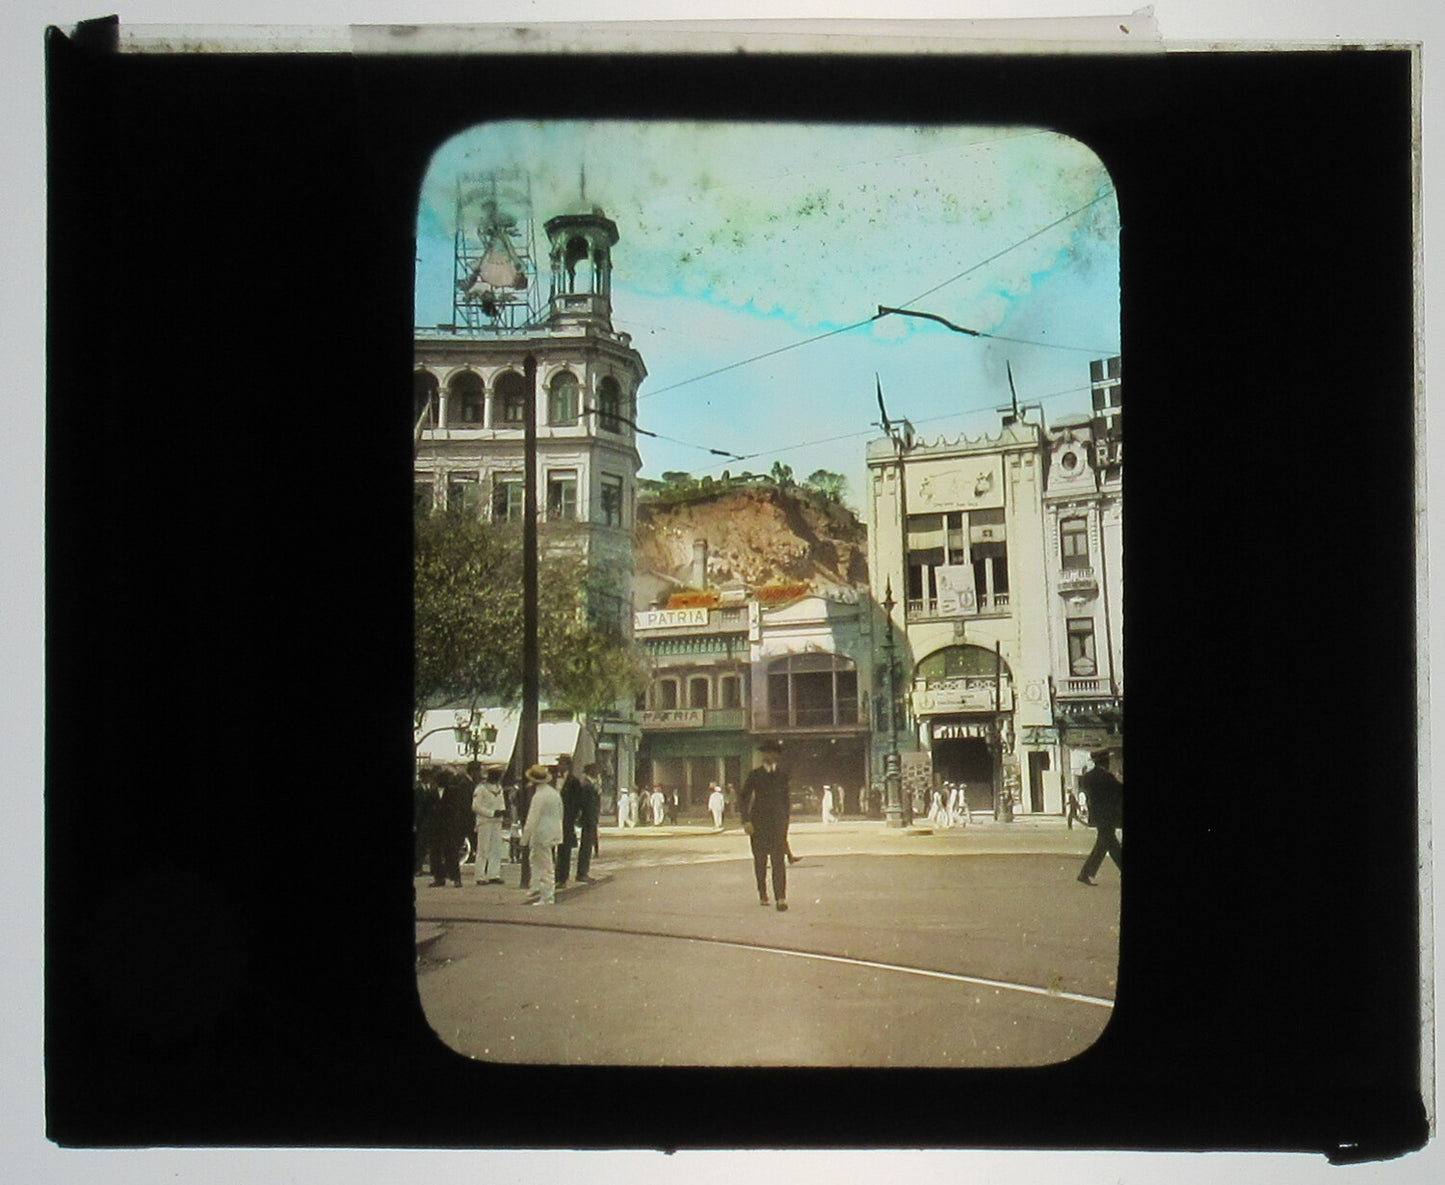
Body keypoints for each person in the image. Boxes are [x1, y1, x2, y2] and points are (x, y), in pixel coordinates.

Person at [739, 740, 791, 911]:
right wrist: (746, 820)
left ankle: (781, 898)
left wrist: (785, 823)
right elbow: (744, 797)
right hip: (758, 824)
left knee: (778, 861)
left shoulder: (782, 775)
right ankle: (762, 892)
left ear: (777, 755)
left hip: (777, 824)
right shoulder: (755, 775)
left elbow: (786, 801)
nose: (768, 755)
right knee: (760, 861)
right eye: (765, 753)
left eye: (772, 752)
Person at [1077, 750, 1123, 886]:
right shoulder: (1107, 777)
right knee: (1110, 844)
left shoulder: (1087, 777)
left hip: (1097, 815)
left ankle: (1085, 874)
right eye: (1107, 760)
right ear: (1104, 762)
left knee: (1105, 844)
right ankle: (1084, 873)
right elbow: (1119, 791)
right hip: (1108, 815)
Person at [521, 764, 563, 905]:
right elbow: (560, 813)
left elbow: (532, 819)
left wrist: (524, 839)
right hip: (552, 831)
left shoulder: (539, 796)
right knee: (539, 861)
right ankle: (536, 886)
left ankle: (547, 896)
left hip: (540, 833)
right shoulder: (554, 793)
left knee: (544, 865)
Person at [472, 767, 507, 885]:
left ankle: (494, 874)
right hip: (485, 822)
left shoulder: (499, 789)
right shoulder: (481, 789)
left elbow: (501, 803)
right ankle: (480, 876)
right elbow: (475, 806)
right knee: (483, 849)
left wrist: (502, 811)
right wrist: (491, 813)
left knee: (496, 849)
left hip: (497, 822)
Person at [554, 755, 583, 888]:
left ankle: (562, 877)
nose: (560, 766)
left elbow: (577, 801)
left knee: (564, 849)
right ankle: (553, 876)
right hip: (553, 818)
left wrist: (572, 817)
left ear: (568, 766)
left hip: (566, 819)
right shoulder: (552, 779)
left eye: (562, 764)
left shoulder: (573, 781)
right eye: (559, 763)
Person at [575, 764, 602, 883]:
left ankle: (584, 872)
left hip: (591, 820)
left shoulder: (592, 784)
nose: (597, 772)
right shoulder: (587, 785)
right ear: (590, 771)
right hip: (588, 820)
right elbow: (586, 804)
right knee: (586, 847)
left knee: (588, 846)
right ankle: (582, 873)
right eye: (595, 770)